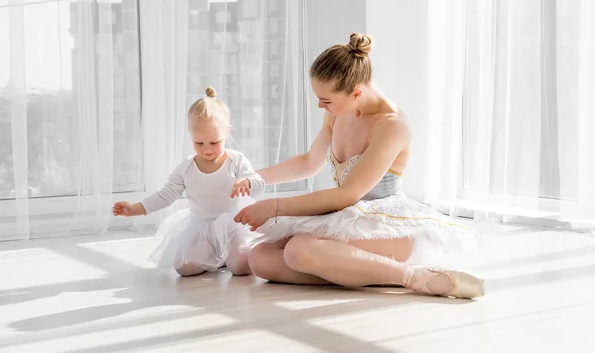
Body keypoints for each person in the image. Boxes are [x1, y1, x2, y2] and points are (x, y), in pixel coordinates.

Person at [235, 34, 484, 298]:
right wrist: (255, 178)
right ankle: (371, 274)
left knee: (298, 251)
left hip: (385, 227)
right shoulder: (337, 111)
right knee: (259, 258)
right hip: (345, 220)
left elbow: (347, 195)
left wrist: (273, 207)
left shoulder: (391, 124)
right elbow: (309, 162)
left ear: (356, 93)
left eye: (326, 100)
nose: (321, 106)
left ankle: (413, 276)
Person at [113, 87, 264, 277]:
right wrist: (135, 208)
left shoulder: (235, 161)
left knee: (241, 266)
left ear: (227, 132)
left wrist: (247, 182)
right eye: (199, 143)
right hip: (201, 226)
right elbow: (165, 195)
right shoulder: (186, 167)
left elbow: (259, 183)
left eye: (214, 142)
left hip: (232, 225)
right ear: (190, 134)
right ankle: (218, 257)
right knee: (184, 268)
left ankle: (230, 255)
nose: (207, 149)